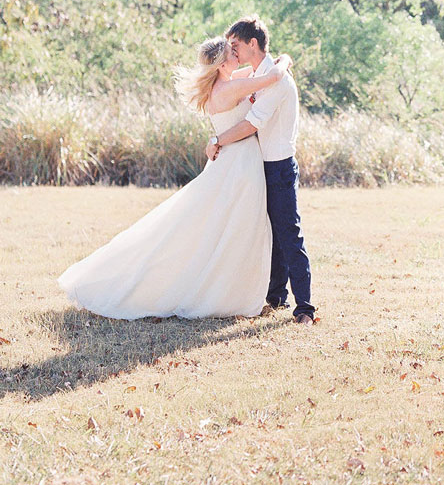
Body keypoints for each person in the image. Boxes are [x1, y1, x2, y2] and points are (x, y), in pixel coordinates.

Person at [58, 37, 293, 320]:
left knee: (227, 226)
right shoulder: (231, 87)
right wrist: (287, 58)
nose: (237, 55)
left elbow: (255, 74)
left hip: (233, 161)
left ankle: (235, 288)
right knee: (239, 227)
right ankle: (226, 292)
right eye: (232, 53)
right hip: (240, 164)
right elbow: (273, 77)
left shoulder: (224, 83)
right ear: (221, 64)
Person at [210, 15, 315, 325]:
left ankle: (305, 308)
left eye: (236, 46)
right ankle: (276, 296)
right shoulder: (261, 72)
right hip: (263, 166)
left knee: (289, 235)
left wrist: (217, 140)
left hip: (279, 166)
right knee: (273, 234)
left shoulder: (276, 80)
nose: (233, 52)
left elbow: (251, 124)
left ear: (252, 44)